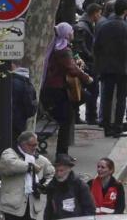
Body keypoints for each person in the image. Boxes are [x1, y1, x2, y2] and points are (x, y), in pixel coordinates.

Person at [39, 23, 91, 158]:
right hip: (58, 89)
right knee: (66, 120)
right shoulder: (62, 49)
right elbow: (71, 68)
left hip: (55, 89)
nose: (73, 33)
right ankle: (62, 153)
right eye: (71, 31)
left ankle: (63, 152)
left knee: (68, 116)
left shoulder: (58, 46)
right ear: (67, 34)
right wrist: (86, 78)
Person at [93, 0, 127, 138]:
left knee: (106, 98)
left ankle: (107, 127)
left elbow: (96, 47)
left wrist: (99, 64)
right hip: (123, 68)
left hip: (107, 67)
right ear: (126, 10)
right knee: (121, 99)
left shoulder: (103, 25)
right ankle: (118, 127)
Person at [0, 131, 55, 220]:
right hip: (12, 208)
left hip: (32, 208)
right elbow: (10, 164)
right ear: (23, 144)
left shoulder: (39, 159)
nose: (35, 148)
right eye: (32, 145)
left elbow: (52, 174)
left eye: (36, 144)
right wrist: (30, 167)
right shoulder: (9, 153)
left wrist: (44, 185)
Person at [42, 153, 95, 220]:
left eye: (61, 171)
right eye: (57, 171)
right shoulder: (52, 186)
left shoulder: (79, 185)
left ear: (69, 169)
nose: (58, 174)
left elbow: (89, 208)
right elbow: (49, 209)